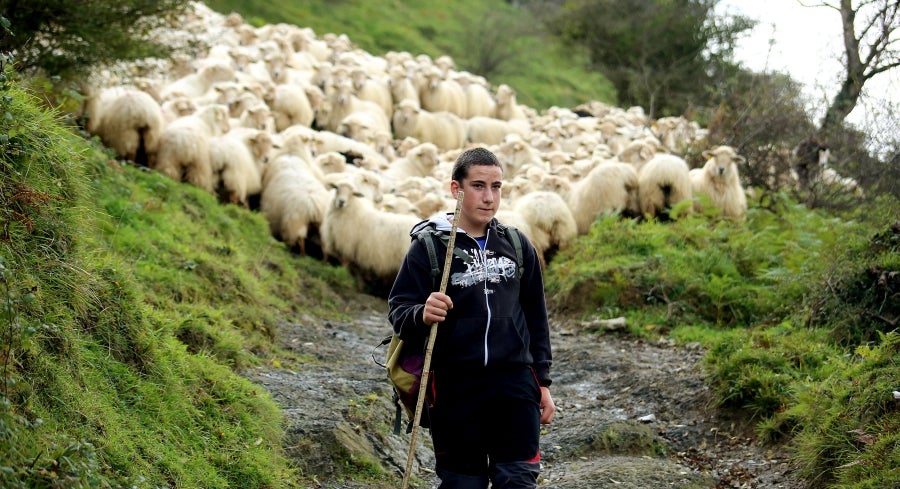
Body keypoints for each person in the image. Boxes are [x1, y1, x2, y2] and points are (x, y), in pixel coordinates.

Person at [388, 146, 555, 488]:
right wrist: (422, 313)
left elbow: (537, 319)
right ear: (456, 190)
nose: (489, 197)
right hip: (455, 389)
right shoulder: (430, 248)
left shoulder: (518, 245)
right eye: (479, 186)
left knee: (518, 480)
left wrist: (543, 383)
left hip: (515, 386)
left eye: (497, 187)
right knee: (464, 484)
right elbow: (399, 309)